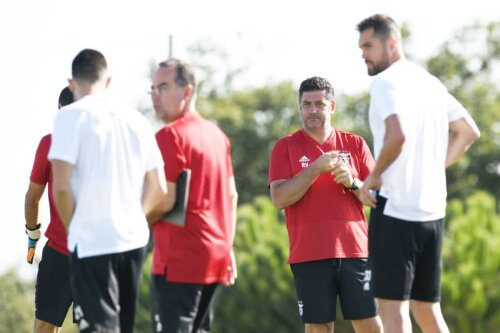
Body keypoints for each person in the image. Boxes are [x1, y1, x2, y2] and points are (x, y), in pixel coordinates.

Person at [356, 14, 481, 333]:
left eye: (368, 45)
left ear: (392, 43)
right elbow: (468, 132)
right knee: (427, 309)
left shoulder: (384, 82)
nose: (363, 54)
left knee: (392, 311)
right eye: (361, 47)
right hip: (432, 214)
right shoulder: (430, 82)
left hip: (397, 211)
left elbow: (397, 135)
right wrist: (431, 169)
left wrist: (372, 178)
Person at [48, 48, 167, 333]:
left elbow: (61, 188)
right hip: (132, 240)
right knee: (123, 326)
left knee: (99, 328)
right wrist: (135, 217)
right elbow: (159, 186)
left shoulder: (68, 117)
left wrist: (74, 227)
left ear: (72, 83)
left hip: (90, 241)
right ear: (108, 81)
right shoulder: (137, 119)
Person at [268, 76, 382, 333]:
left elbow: (375, 198)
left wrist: (353, 182)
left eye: (319, 104)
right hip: (309, 253)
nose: (312, 110)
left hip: (356, 251)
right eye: (306, 104)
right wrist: (315, 169)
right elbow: (279, 198)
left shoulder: (354, 144)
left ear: (332, 106)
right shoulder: (285, 147)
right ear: (300, 107)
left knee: (370, 324)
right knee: (319, 328)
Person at [147, 58, 238, 333]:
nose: (154, 96)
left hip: (180, 259)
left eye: (162, 88)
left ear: (186, 92)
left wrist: (134, 219)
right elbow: (232, 195)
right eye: (151, 89)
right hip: (215, 256)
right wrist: (228, 247)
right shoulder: (218, 135)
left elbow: (164, 200)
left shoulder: (169, 136)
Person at [25, 86, 75, 333]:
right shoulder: (49, 143)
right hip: (67, 251)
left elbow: (33, 198)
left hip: (88, 254)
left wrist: (32, 234)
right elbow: (32, 198)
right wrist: (32, 233)